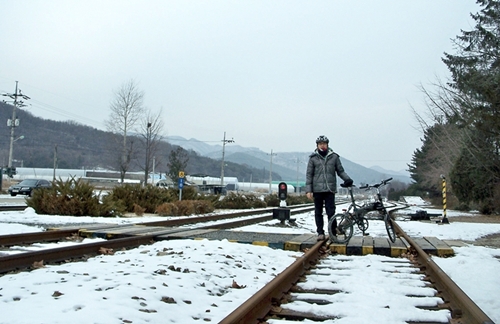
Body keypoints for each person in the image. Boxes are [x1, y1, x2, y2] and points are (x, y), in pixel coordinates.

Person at [305, 135, 353, 241]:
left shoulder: (334, 157)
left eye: (324, 143)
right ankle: (320, 233)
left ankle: (332, 232)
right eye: (320, 144)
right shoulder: (313, 158)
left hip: (329, 189)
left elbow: (340, 171)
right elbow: (309, 174)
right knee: (318, 212)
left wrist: (347, 179)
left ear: (327, 144)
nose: (322, 145)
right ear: (317, 145)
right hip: (317, 190)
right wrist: (308, 190)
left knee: (331, 212)